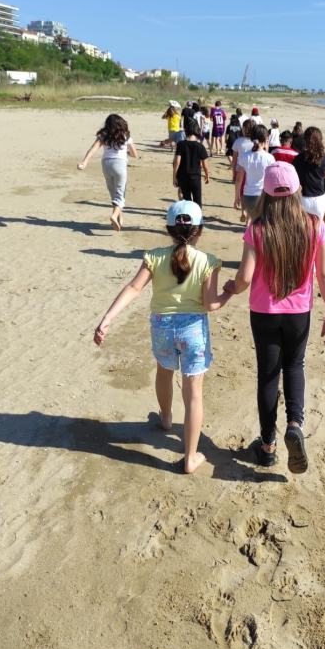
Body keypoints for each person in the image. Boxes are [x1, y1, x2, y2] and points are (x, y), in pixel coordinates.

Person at [93, 200, 230, 474]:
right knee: (193, 393)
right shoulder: (207, 261)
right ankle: (190, 457)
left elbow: (134, 288)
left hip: (162, 327)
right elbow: (210, 305)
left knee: (164, 371)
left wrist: (107, 319)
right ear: (199, 230)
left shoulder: (154, 257)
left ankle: (166, 418)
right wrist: (229, 293)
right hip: (193, 329)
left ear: (168, 229)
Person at [223, 162, 325, 473]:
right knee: (295, 365)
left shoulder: (257, 228)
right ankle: (295, 425)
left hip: (264, 313)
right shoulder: (315, 225)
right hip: (299, 312)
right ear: (298, 190)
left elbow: (245, 277)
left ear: (266, 194)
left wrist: (231, 288)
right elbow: (324, 274)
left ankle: (267, 446)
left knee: (268, 374)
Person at [77, 113, 138, 231]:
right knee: (120, 193)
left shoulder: (103, 135)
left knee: (113, 191)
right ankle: (114, 215)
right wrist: (126, 152)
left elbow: (93, 149)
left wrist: (84, 162)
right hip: (119, 165)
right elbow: (135, 154)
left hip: (106, 165)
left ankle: (119, 217)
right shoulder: (126, 136)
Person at [236, 125, 275, 223]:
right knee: (262, 226)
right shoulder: (269, 158)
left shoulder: (245, 156)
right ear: (265, 139)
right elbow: (272, 179)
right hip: (263, 196)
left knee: (252, 224)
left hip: (248, 195)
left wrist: (237, 196)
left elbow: (239, 179)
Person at [292, 126, 325, 219]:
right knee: (317, 228)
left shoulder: (298, 158)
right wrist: (319, 174)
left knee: (303, 229)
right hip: (319, 198)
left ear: (305, 140)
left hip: (303, 197)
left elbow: (294, 176)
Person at [173, 117, 210, 206]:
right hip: (195, 177)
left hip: (183, 176)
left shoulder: (181, 144)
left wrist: (174, 176)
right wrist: (207, 175)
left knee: (187, 201)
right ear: (197, 130)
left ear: (186, 130)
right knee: (197, 200)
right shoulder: (200, 147)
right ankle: (198, 218)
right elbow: (205, 165)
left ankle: (188, 217)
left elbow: (177, 162)